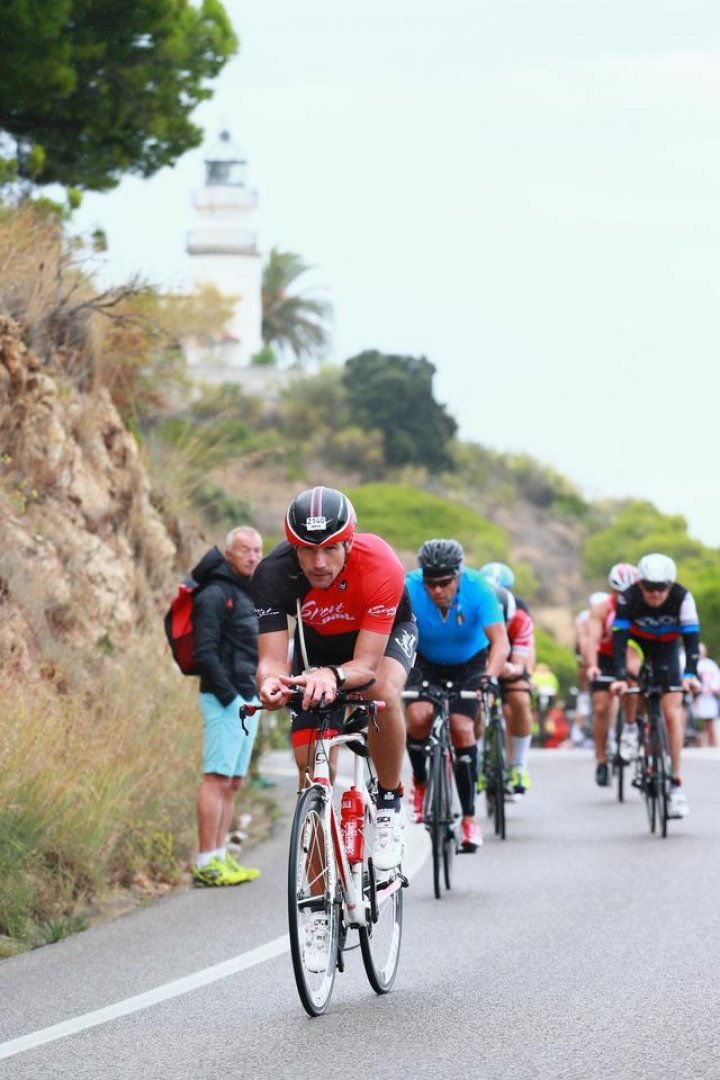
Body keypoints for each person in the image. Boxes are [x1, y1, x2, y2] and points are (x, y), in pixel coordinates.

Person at [252, 486, 419, 876]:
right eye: (307, 550)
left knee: (379, 692)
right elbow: (272, 661)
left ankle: (391, 802)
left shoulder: (380, 565)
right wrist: (270, 686)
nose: (319, 562)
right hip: (317, 649)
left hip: (383, 638)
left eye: (329, 549)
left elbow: (366, 665)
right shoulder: (273, 575)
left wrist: (332, 676)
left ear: (349, 541)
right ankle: (318, 908)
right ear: (293, 548)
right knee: (309, 774)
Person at [404, 541, 510, 852]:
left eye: (445, 583)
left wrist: (489, 679)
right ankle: (420, 784)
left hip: (470, 661)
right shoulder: (407, 587)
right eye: (431, 583)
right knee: (419, 717)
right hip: (423, 660)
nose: (437, 590)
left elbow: (500, 643)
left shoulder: (478, 589)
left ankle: (469, 819)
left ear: (459, 576)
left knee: (463, 728)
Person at [191, 527, 264, 886]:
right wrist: (231, 698)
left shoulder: (246, 592)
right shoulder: (214, 594)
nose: (253, 557)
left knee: (232, 782)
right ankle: (206, 861)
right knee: (216, 778)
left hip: (247, 698)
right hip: (225, 701)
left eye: (257, 551)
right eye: (245, 550)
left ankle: (220, 856)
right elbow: (203, 653)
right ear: (229, 553)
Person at [611, 553, 701, 819]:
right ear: (640, 584)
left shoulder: (682, 597)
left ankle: (674, 784)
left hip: (667, 649)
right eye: (650, 587)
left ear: (670, 585)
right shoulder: (628, 597)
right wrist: (619, 676)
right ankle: (630, 727)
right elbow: (619, 641)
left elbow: (692, 641)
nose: (655, 594)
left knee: (672, 714)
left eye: (662, 588)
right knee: (630, 673)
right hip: (637, 646)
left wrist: (690, 674)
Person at [479, 561, 536, 799]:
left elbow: (523, 660)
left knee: (520, 701)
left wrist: (519, 671)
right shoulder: (474, 611)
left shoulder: (520, 615)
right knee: (474, 704)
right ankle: (479, 761)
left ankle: (519, 765)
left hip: (510, 659)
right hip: (480, 657)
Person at [584, 563, 639, 787]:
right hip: (605, 658)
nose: (623, 596)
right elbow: (592, 641)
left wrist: (631, 670)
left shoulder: (640, 607)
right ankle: (601, 759)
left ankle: (631, 726)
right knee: (601, 706)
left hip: (630, 653)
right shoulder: (601, 608)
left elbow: (637, 645)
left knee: (632, 685)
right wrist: (592, 666)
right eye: (618, 592)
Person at [691, 643, 720, 748]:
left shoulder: (711, 665)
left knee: (710, 724)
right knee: (696, 726)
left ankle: (712, 745)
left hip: (709, 698)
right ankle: (697, 744)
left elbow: (717, 682)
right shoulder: (691, 664)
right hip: (695, 699)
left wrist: (713, 689)